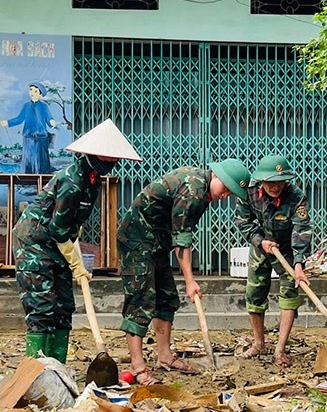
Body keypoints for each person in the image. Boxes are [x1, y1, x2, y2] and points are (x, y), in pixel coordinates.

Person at [12, 119, 142, 362]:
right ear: (92, 154)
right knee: (42, 305)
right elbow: (58, 228)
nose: (111, 162)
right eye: (107, 157)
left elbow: (72, 225)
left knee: (63, 306)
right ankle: (37, 369)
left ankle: (57, 366)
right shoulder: (71, 181)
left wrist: (76, 256)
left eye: (114, 158)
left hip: (59, 244)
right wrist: (76, 263)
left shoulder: (92, 182)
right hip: (35, 243)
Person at [118, 159, 251, 384]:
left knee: (167, 298)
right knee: (140, 301)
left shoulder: (203, 190)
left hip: (156, 243)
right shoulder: (193, 189)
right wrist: (190, 281)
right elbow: (182, 239)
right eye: (226, 187)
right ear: (216, 175)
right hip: (136, 241)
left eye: (231, 193)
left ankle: (165, 356)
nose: (225, 195)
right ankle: (137, 366)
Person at [234, 155, 311, 366]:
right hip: (261, 246)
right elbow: (242, 221)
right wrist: (260, 241)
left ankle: (280, 350)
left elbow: (301, 229)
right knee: (254, 294)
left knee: (289, 295)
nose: (275, 186)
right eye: (270, 182)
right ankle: (259, 343)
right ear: (261, 180)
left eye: (280, 181)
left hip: (286, 249)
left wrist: (298, 264)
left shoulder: (296, 197)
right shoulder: (249, 192)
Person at [2, 82, 57, 175]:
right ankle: (28, 175)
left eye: (35, 91)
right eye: (31, 90)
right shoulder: (26, 106)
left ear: (40, 94)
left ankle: (43, 174)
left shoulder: (44, 106)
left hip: (41, 136)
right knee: (28, 157)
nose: (32, 93)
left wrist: (52, 121)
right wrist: (8, 122)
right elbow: (19, 119)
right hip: (28, 136)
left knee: (42, 157)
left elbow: (49, 118)